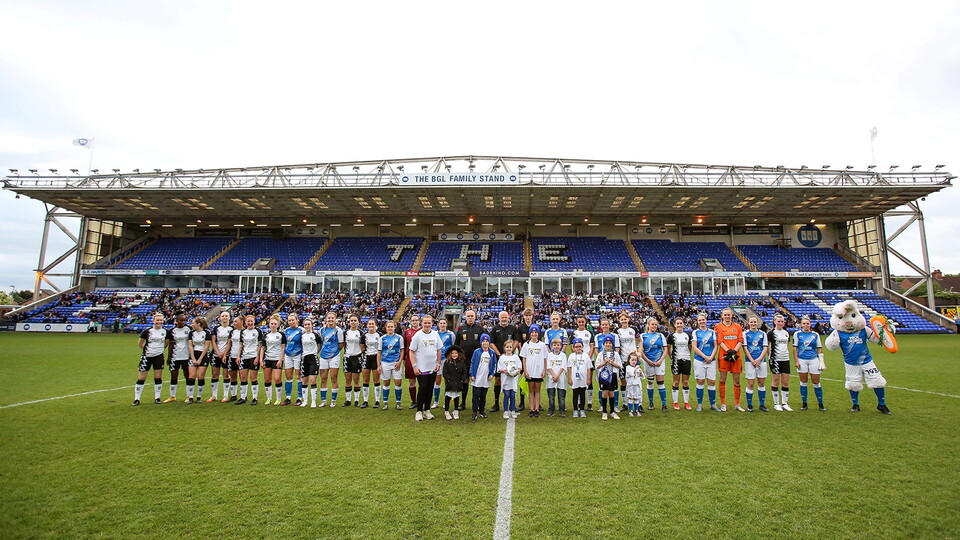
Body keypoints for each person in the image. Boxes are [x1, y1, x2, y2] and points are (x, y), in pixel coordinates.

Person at [409, 314, 443, 421]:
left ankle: (427, 410)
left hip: (432, 367)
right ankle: (419, 411)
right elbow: (411, 351)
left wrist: (438, 363)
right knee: (422, 388)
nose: (427, 325)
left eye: (429, 323)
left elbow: (439, 350)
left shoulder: (435, 334)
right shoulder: (418, 335)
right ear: (421, 323)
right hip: (421, 368)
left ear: (432, 323)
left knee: (429, 389)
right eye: (425, 323)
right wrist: (414, 366)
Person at [133, 312, 167, 406]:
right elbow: (140, 343)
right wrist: (147, 350)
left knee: (158, 377)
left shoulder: (165, 331)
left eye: (161, 320)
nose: (159, 322)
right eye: (157, 320)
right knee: (141, 378)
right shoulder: (147, 331)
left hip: (159, 356)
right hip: (147, 356)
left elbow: (166, 343)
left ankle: (157, 397)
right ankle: (136, 399)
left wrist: (159, 350)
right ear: (153, 321)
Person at [489, 311, 520, 413]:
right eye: (502, 317)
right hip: (500, 358)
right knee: (498, 381)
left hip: (511, 359)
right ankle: (496, 403)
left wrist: (510, 350)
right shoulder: (495, 329)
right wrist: (499, 354)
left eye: (505, 317)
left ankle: (512, 405)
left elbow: (516, 341)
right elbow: (491, 343)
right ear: (499, 318)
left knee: (512, 380)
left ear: (508, 318)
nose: (504, 319)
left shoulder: (513, 328)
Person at [715, 308, 745, 412]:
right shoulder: (718, 327)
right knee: (722, 379)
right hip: (724, 356)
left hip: (736, 357)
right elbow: (720, 340)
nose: (727, 317)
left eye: (729, 315)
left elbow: (740, 340)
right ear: (722, 316)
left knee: (737, 381)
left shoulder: (737, 327)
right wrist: (728, 351)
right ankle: (723, 404)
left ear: (732, 316)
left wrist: (734, 351)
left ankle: (737, 404)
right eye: (725, 315)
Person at [793, 316, 825, 411]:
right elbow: (795, 348)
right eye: (804, 324)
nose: (806, 325)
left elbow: (819, 348)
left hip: (813, 359)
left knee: (816, 382)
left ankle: (820, 403)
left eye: (807, 323)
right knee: (803, 382)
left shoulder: (815, 335)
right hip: (802, 360)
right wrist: (796, 360)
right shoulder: (797, 334)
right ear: (801, 325)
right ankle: (804, 403)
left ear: (810, 324)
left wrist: (821, 362)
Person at [455, 310, 485, 411]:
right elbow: (456, 345)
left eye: (472, 316)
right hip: (464, 360)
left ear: (475, 317)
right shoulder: (461, 329)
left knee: (476, 381)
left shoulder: (480, 329)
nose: (470, 318)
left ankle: (476, 403)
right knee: (465, 381)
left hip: (477, 360)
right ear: (465, 317)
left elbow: (485, 343)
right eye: (469, 316)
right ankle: (463, 403)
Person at [692, 314, 720, 412]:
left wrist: (711, 357)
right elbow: (694, 347)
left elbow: (716, 346)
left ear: (706, 320)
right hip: (699, 360)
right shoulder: (695, 332)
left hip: (711, 361)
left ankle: (713, 404)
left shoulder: (712, 332)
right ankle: (699, 404)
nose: (702, 322)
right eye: (700, 320)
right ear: (697, 322)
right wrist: (704, 357)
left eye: (703, 320)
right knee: (700, 381)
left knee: (712, 382)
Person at [639, 317, 668, 412]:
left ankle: (664, 404)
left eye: (656, 324)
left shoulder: (660, 335)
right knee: (650, 382)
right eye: (652, 324)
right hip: (648, 362)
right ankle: (651, 403)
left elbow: (665, 349)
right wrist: (647, 361)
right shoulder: (643, 336)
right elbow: (641, 351)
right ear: (648, 325)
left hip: (659, 362)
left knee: (660, 382)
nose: (654, 326)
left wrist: (660, 360)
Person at [742, 316, 770, 412]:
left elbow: (765, 347)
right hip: (750, 362)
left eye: (755, 322)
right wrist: (752, 360)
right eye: (751, 322)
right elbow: (745, 348)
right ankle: (749, 405)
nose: (753, 324)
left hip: (761, 361)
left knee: (761, 382)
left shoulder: (762, 334)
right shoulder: (745, 334)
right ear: (748, 323)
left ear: (757, 323)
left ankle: (762, 405)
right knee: (750, 383)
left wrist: (759, 359)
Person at [592, 318, 620, 412]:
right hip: (602, 366)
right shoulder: (597, 336)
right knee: (602, 386)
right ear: (601, 326)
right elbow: (596, 349)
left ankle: (615, 405)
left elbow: (617, 349)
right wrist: (602, 360)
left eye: (606, 324)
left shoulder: (614, 336)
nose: (604, 326)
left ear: (609, 325)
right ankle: (601, 405)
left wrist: (613, 359)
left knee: (614, 387)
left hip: (613, 365)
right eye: (603, 325)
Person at [317, 311, 344, 408]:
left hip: (334, 357)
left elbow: (341, 344)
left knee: (333, 378)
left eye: (332, 318)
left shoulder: (338, 331)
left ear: (335, 319)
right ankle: (323, 400)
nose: (330, 319)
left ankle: (333, 400)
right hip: (323, 356)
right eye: (329, 318)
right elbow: (320, 343)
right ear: (326, 319)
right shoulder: (321, 330)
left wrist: (334, 352)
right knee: (323, 378)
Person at [519, 324, 547, 418]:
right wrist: (525, 370)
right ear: (530, 334)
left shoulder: (542, 345)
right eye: (532, 332)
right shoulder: (526, 345)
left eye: (536, 332)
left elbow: (544, 358)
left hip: (539, 371)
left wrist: (544, 370)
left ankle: (537, 408)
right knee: (531, 390)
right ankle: (531, 409)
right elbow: (524, 358)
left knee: (537, 390)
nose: (534, 334)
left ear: (538, 333)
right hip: (530, 371)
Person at [235, 314, 264, 405]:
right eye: (248, 321)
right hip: (244, 356)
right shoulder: (243, 332)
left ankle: (254, 398)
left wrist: (257, 357)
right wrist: (238, 356)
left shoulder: (258, 331)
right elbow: (241, 345)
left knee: (253, 378)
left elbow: (260, 345)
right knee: (243, 377)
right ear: (245, 322)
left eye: (251, 321)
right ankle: (243, 397)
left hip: (253, 356)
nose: (250, 323)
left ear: (254, 322)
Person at [767, 314, 793, 411]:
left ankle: (785, 403)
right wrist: (770, 357)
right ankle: (776, 403)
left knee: (785, 382)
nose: (780, 323)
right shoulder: (771, 333)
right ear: (774, 322)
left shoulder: (786, 333)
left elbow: (787, 345)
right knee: (776, 381)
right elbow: (767, 346)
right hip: (775, 359)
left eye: (782, 321)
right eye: (779, 321)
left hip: (785, 359)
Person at [469, 334, 497, 421]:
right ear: (481, 342)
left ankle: (482, 410)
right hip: (477, 377)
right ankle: (474, 411)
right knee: (476, 395)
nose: (485, 343)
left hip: (486, 378)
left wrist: (492, 374)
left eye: (487, 341)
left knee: (483, 395)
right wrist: (472, 374)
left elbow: (494, 365)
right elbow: (472, 363)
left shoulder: (492, 353)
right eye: (483, 341)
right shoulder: (477, 352)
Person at [164, 314, 191, 403]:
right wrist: (169, 357)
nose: (183, 322)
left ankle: (188, 395)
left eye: (184, 320)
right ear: (177, 321)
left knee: (187, 376)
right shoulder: (172, 331)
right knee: (174, 376)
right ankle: (172, 396)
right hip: (175, 356)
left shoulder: (189, 329)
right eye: (181, 320)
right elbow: (170, 345)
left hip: (186, 356)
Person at [378, 320, 405, 410]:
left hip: (396, 363)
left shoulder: (399, 338)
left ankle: (398, 402)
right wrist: (379, 365)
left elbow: (402, 350)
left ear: (394, 327)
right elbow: (379, 352)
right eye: (388, 327)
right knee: (386, 382)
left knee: (398, 382)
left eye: (391, 327)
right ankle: (385, 403)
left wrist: (399, 362)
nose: (390, 328)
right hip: (385, 363)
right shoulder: (382, 339)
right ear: (386, 328)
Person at [666, 318, 692, 411]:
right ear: (675, 325)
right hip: (676, 361)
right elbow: (668, 348)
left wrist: (687, 355)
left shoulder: (687, 335)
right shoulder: (671, 336)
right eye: (678, 323)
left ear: (683, 324)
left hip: (687, 360)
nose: (679, 325)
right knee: (676, 382)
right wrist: (672, 358)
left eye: (681, 323)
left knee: (685, 382)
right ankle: (675, 403)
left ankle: (686, 402)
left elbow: (690, 346)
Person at [261, 314, 287, 405]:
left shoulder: (281, 335)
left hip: (277, 359)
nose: (273, 325)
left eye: (275, 324)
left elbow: (283, 348)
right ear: (269, 324)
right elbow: (263, 348)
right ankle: (269, 398)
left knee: (277, 378)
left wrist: (280, 360)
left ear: (278, 325)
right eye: (271, 324)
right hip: (267, 358)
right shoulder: (266, 335)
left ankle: (278, 398)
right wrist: (261, 360)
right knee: (267, 379)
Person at [615, 312, 638, 413]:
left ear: (629, 319)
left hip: (633, 360)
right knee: (623, 381)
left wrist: (639, 352)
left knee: (636, 381)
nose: (624, 321)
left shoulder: (634, 330)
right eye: (622, 320)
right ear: (619, 321)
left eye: (625, 319)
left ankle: (638, 404)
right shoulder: (617, 331)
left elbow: (640, 341)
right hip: (623, 360)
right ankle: (625, 403)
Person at [595, 334, 622, 420]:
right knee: (604, 393)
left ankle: (612, 411)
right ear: (603, 344)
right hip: (603, 376)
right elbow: (597, 366)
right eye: (606, 343)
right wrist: (604, 362)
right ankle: (604, 412)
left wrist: (613, 363)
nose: (608, 344)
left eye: (610, 343)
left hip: (613, 375)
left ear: (612, 344)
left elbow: (620, 366)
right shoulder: (600, 354)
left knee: (611, 393)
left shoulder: (616, 354)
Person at [208, 311, 233, 402]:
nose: (225, 317)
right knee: (215, 375)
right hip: (216, 354)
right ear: (220, 318)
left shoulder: (232, 329)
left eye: (226, 316)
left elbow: (230, 342)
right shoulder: (216, 328)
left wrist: (225, 353)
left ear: (229, 318)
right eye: (223, 316)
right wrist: (218, 352)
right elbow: (213, 341)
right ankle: (214, 395)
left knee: (226, 375)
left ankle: (225, 395)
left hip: (227, 355)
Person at [187, 316, 212, 404]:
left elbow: (206, 346)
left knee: (201, 377)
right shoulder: (191, 333)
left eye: (193, 323)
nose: (192, 324)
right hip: (194, 355)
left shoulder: (206, 333)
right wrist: (193, 358)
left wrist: (200, 358)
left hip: (203, 356)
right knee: (191, 376)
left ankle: (198, 396)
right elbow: (190, 345)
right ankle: (190, 396)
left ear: (198, 324)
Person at [571, 315, 594, 410]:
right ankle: (580, 403)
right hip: (577, 361)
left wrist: (587, 358)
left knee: (589, 380)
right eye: (579, 321)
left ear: (585, 322)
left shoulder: (590, 333)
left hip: (588, 359)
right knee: (579, 380)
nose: (581, 323)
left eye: (582, 321)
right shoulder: (574, 333)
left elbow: (592, 346)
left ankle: (589, 402)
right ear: (576, 322)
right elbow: (572, 347)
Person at [432, 318, 456, 409]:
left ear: (446, 324)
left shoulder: (451, 334)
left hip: (447, 360)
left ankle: (446, 401)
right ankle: (436, 401)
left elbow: (453, 346)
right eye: (441, 323)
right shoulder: (435, 334)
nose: (442, 325)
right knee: (437, 380)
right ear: (438, 325)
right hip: (437, 360)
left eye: (444, 323)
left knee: (447, 380)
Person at [566, 338, 592, 418]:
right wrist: (569, 378)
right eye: (576, 347)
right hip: (574, 378)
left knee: (582, 394)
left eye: (580, 346)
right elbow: (569, 368)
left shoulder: (586, 356)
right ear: (573, 347)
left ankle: (582, 410)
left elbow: (589, 368)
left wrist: (589, 378)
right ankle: (575, 410)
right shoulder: (571, 356)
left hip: (583, 378)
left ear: (582, 347)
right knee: (575, 394)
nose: (578, 348)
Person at [496, 340, 522, 419]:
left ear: (513, 348)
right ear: (504, 348)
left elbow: (519, 367)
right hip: (505, 380)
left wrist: (517, 371)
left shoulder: (515, 357)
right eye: (507, 347)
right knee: (507, 395)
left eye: (510, 347)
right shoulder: (502, 358)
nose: (509, 349)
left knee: (513, 395)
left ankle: (513, 410)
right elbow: (499, 368)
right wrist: (504, 371)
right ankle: (506, 411)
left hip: (513, 380)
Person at [342, 314, 364, 407]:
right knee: (348, 379)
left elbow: (363, 346)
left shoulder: (361, 333)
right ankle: (348, 400)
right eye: (351, 320)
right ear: (349, 322)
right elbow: (343, 344)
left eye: (355, 320)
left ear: (358, 322)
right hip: (347, 357)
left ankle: (356, 400)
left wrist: (357, 353)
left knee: (356, 379)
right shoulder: (346, 332)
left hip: (357, 357)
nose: (353, 322)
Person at [282, 313, 304, 406]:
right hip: (288, 355)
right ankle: (288, 397)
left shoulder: (301, 330)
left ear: (297, 320)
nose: (291, 322)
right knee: (288, 376)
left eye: (293, 320)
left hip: (298, 355)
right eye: (289, 320)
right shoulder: (286, 331)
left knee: (298, 376)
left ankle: (299, 398)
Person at [299, 318, 321, 407]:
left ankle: (314, 401)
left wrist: (315, 353)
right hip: (304, 358)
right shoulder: (303, 336)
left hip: (313, 358)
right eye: (305, 325)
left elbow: (319, 345)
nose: (307, 326)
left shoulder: (315, 335)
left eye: (309, 324)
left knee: (312, 380)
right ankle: (305, 400)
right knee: (304, 381)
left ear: (312, 325)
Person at [222, 316, 244, 402]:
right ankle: (234, 395)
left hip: (242, 356)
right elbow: (229, 344)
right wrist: (225, 354)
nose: (234, 323)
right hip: (232, 355)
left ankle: (243, 396)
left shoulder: (245, 332)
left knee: (242, 376)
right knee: (232, 376)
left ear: (241, 322)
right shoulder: (232, 332)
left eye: (236, 321)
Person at [442, 345, 467, 420]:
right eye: (452, 353)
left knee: (456, 397)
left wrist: (462, 379)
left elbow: (464, 371)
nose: (454, 355)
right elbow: (445, 372)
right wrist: (448, 379)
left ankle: (456, 410)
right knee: (448, 397)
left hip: (458, 383)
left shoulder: (461, 363)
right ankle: (446, 411)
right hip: (450, 383)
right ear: (450, 354)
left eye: (456, 353)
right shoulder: (447, 362)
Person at [402, 314, 422, 409]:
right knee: (412, 381)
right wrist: (404, 359)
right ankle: (414, 401)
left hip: (421, 359)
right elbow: (405, 346)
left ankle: (422, 400)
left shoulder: (422, 331)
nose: (414, 322)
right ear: (410, 322)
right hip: (410, 359)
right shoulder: (406, 332)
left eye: (416, 320)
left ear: (419, 321)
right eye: (413, 320)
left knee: (422, 382)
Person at [545, 337, 567, 417]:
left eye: (558, 345)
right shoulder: (549, 355)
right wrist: (554, 375)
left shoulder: (563, 355)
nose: (556, 346)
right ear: (552, 346)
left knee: (561, 396)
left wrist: (557, 375)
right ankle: (551, 410)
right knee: (551, 396)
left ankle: (562, 410)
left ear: (561, 346)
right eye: (555, 345)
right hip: (551, 378)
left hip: (560, 377)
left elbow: (563, 366)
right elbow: (548, 366)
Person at [361, 318, 381, 408]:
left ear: (376, 325)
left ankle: (377, 400)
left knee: (376, 380)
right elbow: (362, 347)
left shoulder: (380, 335)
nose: (371, 325)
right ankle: (365, 400)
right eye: (370, 324)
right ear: (367, 325)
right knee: (365, 380)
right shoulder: (364, 335)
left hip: (376, 358)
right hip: (367, 358)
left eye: (373, 324)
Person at [625, 352, 644, 417]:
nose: (634, 361)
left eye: (635, 360)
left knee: (636, 398)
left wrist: (641, 373)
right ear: (629, 360)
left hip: (637, 385)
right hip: (631, 385)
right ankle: (630, 411)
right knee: (631, 398)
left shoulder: (638, 367)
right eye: (632, 360)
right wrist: (636, 368)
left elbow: (642, 377)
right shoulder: (628, 367)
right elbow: (631, 373)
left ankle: (636, 410)